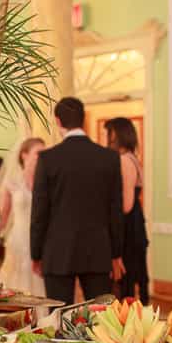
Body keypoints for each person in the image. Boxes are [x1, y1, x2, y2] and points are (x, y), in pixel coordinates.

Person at [30, 97, 125, 302]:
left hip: (57, 251)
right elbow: (115, 209)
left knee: (58, 316)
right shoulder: (109, 158)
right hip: (98, 250)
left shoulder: (48, 159)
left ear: (58, 121)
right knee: (101, 318)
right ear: (83, 119)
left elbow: (40, 211)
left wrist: (36, 253)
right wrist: (116, 253)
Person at [105, 117, 149, 304]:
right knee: (132, 273)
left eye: (110, 134)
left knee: (126, 276)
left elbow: (126, 205)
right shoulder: (133, 159)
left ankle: (127, 319)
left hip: (127, 226)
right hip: (134, 223)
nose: (107, 139)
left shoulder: (124, 160)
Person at [0, 137, 46, 296]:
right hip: (18, 239)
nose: (42, 157)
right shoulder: (11, 183)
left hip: (40, 239)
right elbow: (2, 218)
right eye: (38, 153)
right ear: (24, 155)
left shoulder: (45, 181)